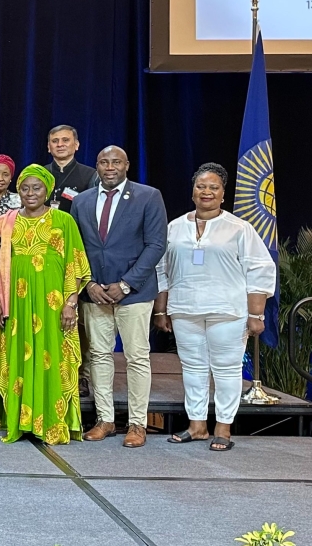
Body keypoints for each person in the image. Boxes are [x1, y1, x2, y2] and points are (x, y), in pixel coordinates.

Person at [155, 163, 276, 452]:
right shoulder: (175, 227)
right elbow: (162, 270)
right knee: (193, 369)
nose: (206, 191)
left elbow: (259, 269)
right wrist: (161, 310)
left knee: (226, 370)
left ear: (223, 194)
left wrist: (256, 314)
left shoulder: (239, 228)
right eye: (201, 186)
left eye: (213, 187)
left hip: (228, 311)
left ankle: (223, 426)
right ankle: (197, 425)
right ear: (193, 191)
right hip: (184, 309)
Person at [0, 164, 91, 445]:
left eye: (37, 188)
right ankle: (20, 421)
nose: (30, 193)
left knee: (51, 359)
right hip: (16, 306)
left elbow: (75, 264)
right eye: (25, 188)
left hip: (52, 305)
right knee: (18, 357)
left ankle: (51, 422)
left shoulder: (63, 221)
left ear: (48, 190)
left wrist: (70, 303)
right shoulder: (3, 223)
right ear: (17, 191)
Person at [73, 146, 168, 448]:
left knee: (136, 357)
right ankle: (105, 420)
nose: (109, 167)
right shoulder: (81, 201)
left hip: (134, 293)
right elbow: (78, 249)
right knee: (98, 356)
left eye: (116, 162)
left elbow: (156, 245)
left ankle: (138, 424)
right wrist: (87, 284)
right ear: (97, 166)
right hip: (95, 293)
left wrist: (126, 284)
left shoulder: (148, 196)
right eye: (103, 162)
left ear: (127, 165)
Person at [43, 125, 98, 213]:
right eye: (55, 141)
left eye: (65, 140)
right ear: (49, 147)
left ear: (76, 145)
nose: (60, 145)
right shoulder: (40, 173)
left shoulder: (91, 175)